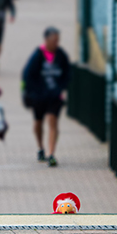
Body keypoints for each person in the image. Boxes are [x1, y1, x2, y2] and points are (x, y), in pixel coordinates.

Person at [22, 26, 72, 167]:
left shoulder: (61, 55)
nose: (56, 43)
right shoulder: (38, 55)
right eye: (54, 40)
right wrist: (33, 91)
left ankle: (51, 154)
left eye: (58, 40)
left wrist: (61, 88)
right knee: (38, 123)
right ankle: (40, 148)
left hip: (55, 96)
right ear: (46, 40)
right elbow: (27, 75)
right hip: (38, 97)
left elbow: (67, 74)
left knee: (52, 120)